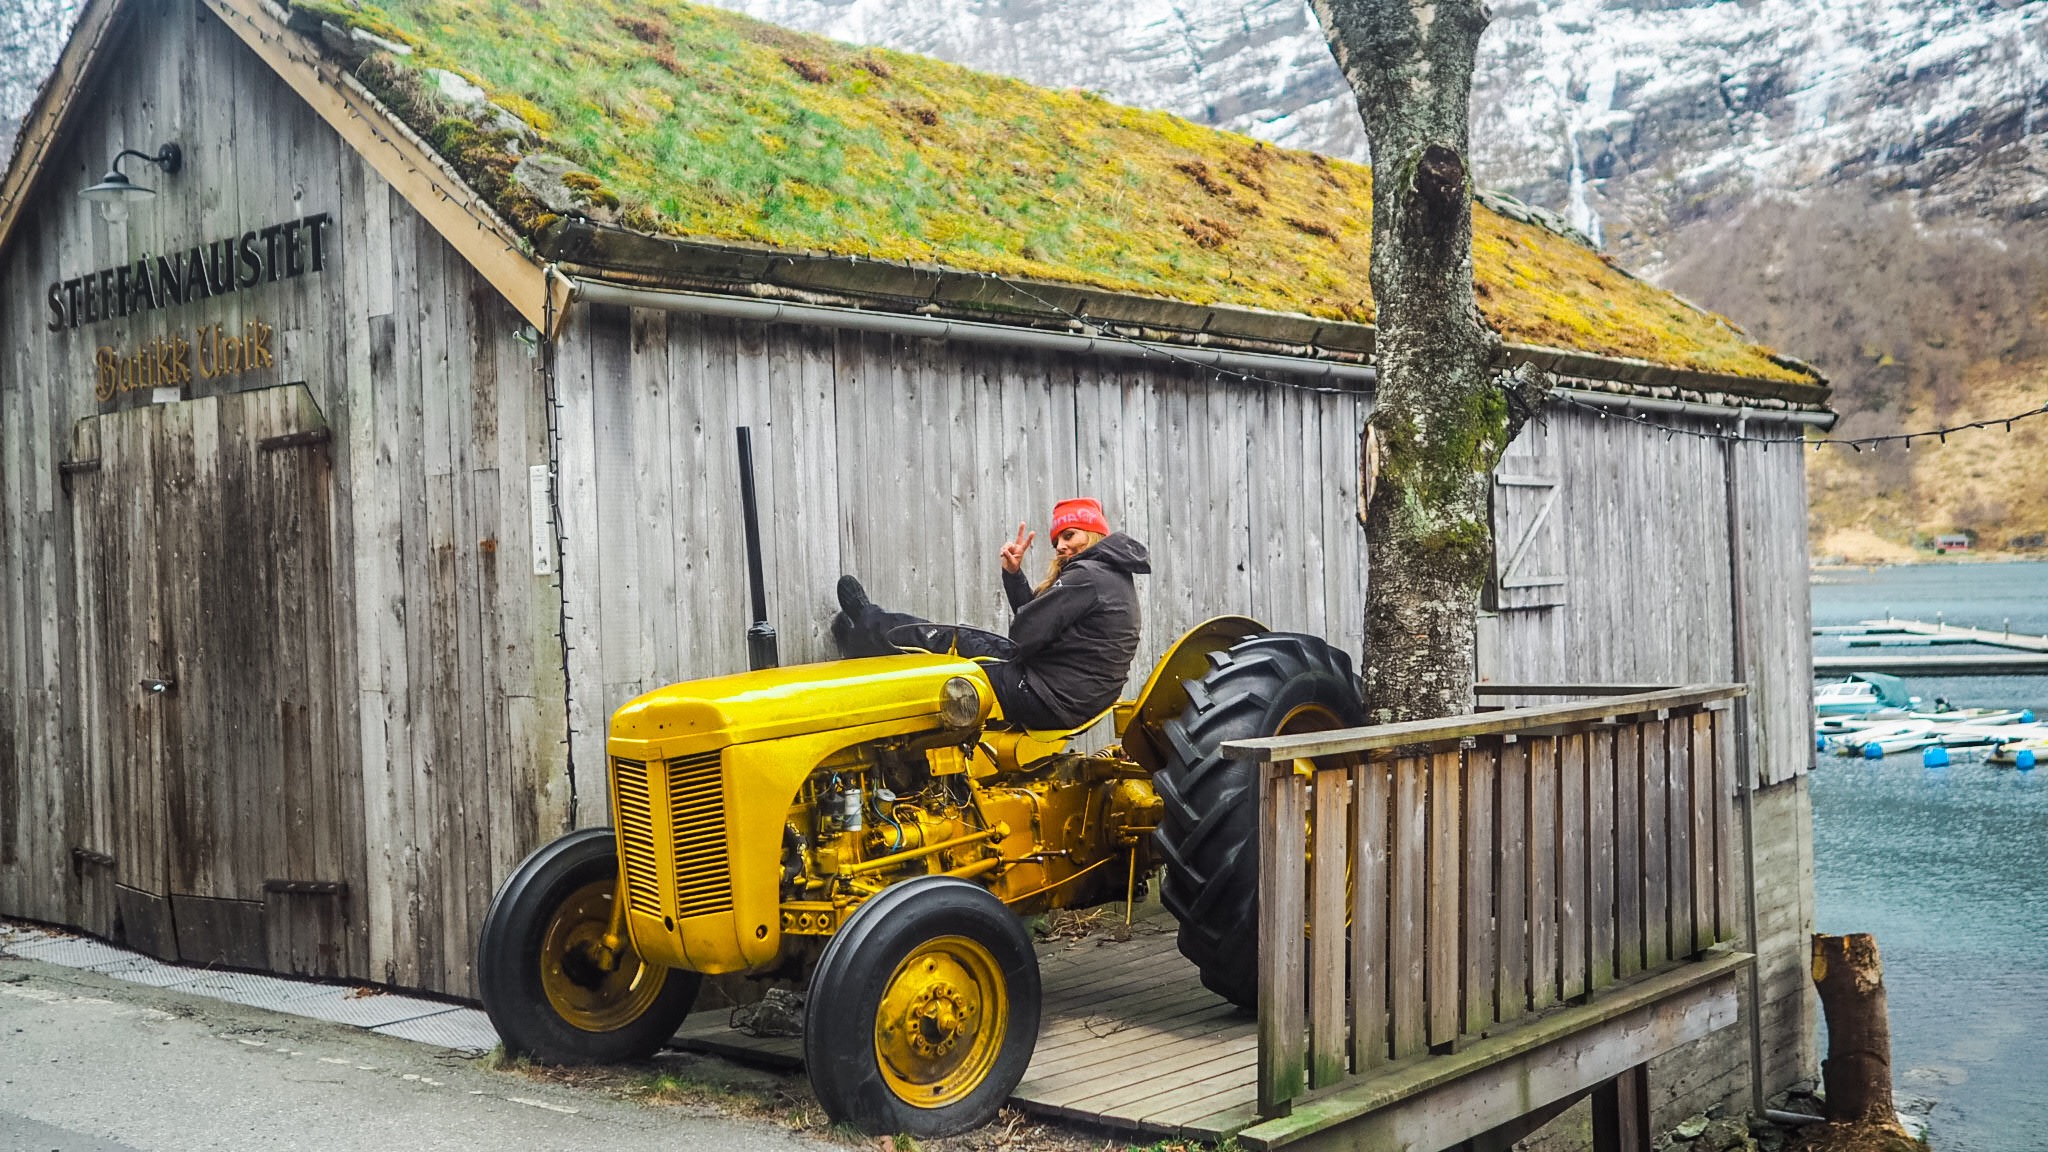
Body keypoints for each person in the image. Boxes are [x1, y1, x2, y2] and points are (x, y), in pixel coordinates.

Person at [832, 497, 1151, 731]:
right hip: (1065, 695)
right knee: (964, 644)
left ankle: (868, 624)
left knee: (953, 642)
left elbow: (1024, 636)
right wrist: (1014, 576)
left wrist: (1024, 613)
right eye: (1057, 540)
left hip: (1046, 695)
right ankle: (867, 635)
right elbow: (1042, 626)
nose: (1060, 546)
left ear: (1093, 535)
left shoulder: (1088, 576)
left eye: (1070, 535)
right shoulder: (1111, 576)